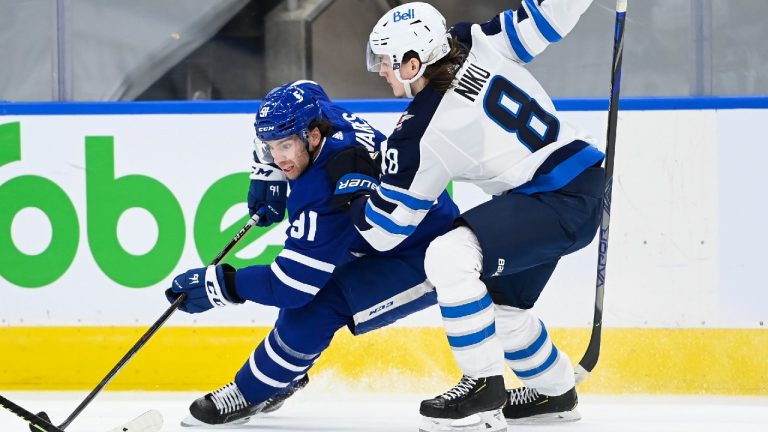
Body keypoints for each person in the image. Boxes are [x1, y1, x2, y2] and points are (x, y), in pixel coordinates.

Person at [353, 1, 604, 431]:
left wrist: (350, 192)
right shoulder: (474, 39)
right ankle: (554, 390)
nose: (380, 69)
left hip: (553, 199)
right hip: (578, 184)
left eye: (387, 61)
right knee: (501, 310)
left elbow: (387, 230)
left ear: (414, 63)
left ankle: (483, 388)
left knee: (448, 257)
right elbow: (549, 18)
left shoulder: (422, 127)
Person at [164, 80, 459, 426]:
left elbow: (290, 286)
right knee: (309, 299)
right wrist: (267, 172)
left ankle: (251, 392)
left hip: (425, 253)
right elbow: (305, 85)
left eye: (285, 147)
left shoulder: (327, 187)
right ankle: (283, 374)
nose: (279, 157)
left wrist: (222, 285)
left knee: (318, 306)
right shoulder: (317, 111)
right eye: (270, 147)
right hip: (376, 231)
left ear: (313, 136)